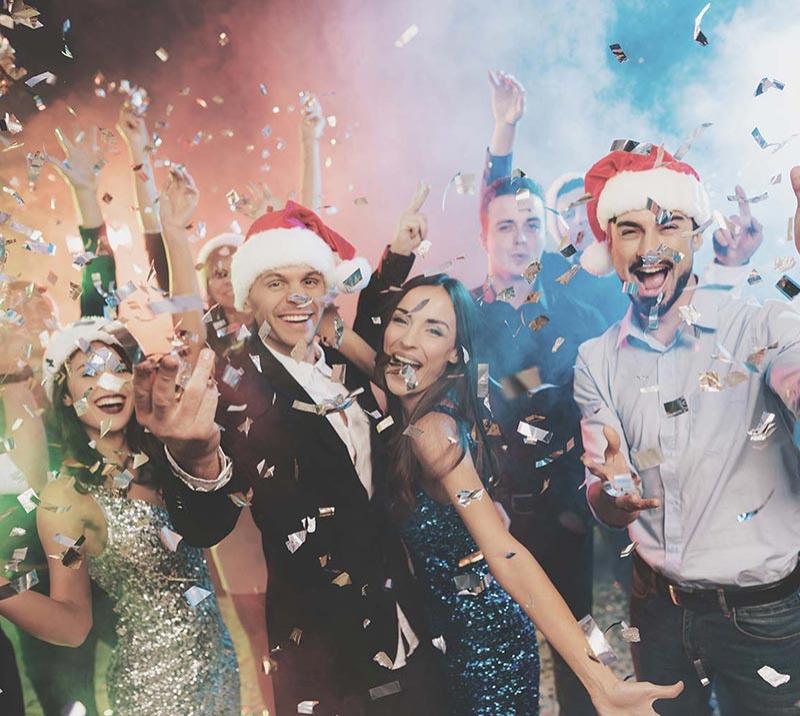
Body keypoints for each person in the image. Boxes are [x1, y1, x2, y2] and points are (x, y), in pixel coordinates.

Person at [132, 201, 451, 716]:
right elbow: (206, 524)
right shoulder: (234, 382)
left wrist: (399, 254)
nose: (297, 296)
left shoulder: (345, 358)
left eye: (308, 279)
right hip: (323, 652)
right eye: (275, 282)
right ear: (249, 295)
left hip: (407, 619)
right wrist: (197, 458)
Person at [328, 271, 683, 714]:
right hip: (446, 640)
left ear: (456, 354)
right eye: (401, 321)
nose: (407, 340)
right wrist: (327, 319)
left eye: (433, 329)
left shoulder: (434, 433)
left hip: (484, 651)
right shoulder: (419, 390)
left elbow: (504, 551)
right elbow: (377, 361)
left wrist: (600, 680)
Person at [574, 145, 800, 715]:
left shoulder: (761, 322)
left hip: (766, 618)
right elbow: (603, 492)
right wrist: (612, 498)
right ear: (611, 248)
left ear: (697, 234)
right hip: (659, 619)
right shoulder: (594, 360)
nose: (651, 247)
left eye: (668, 224)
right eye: (631, 230)